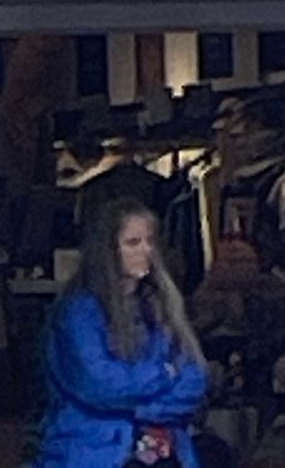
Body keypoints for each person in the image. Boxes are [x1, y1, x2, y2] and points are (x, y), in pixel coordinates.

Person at [37, 199, 208, 468]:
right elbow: (100, 385)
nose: (146, 250)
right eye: (133, 243)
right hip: (93, 453)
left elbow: (194, 381)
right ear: (107, 251)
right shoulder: (78, 311)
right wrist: (164, 373)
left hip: (164, 453)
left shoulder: (162, 304)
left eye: (150, 241)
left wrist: (141, 409)